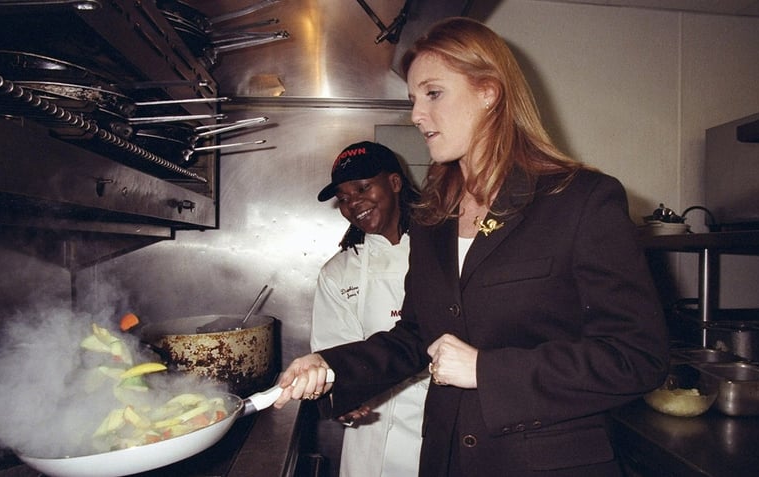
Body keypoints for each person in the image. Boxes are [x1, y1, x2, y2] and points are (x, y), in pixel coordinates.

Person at [276, 17, 669, 477]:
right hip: (447, 460)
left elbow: (637, 357)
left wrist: (487, 370)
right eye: (413, 100)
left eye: (433, 93)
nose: (417, 115)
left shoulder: (579, 199)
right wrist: (331, 364)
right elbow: (416, 335)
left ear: (489, 92)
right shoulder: (433, 218)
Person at [311, 141, 428, 477]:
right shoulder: (337, 272)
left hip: (442, 419)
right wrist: (341, 398)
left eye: (363, 188)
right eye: (344, 198)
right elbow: (333, 352)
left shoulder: (440, 251)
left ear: (394, 183)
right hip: (373, 434)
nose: (353, 203)